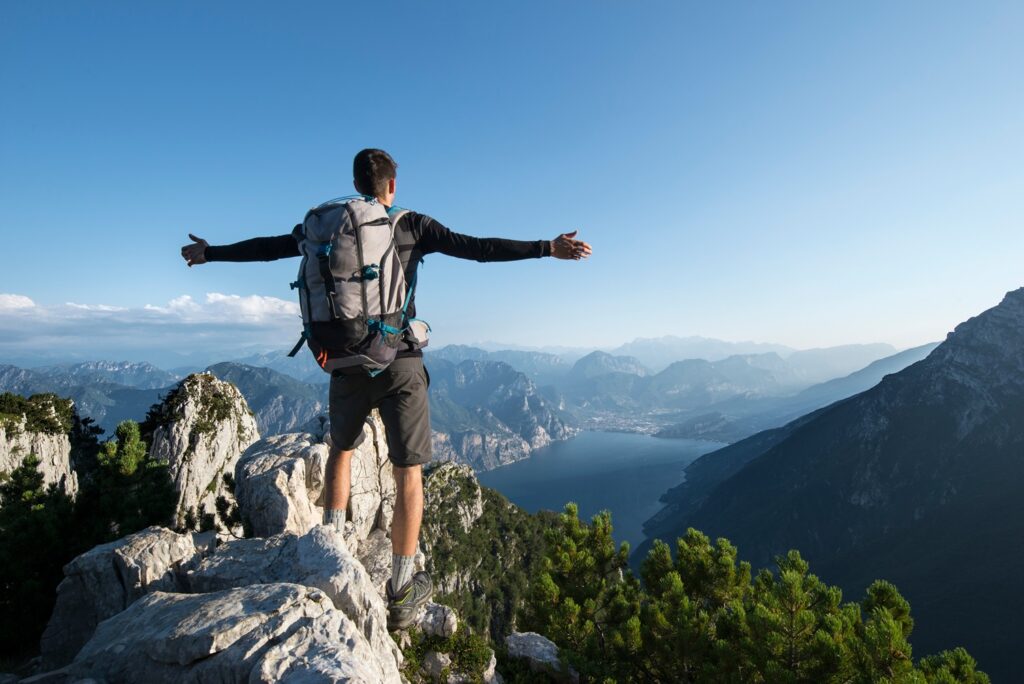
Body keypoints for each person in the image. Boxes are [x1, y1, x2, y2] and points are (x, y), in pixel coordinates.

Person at [181, 148, 592, 630]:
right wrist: (547, 247)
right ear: (391, 186)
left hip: (344, 361)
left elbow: (268, 246)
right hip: (399, 364)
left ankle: (326, 561)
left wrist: (211, 253)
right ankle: (400, 591)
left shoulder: (325, 229)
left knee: (341, 451)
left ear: (358, 185)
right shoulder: (412, 225)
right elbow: (480, 248)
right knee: (408, 473)